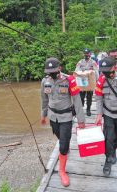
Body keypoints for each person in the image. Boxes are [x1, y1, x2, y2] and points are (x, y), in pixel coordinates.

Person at [41, 57, 85, 187]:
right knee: (60, 137)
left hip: (66, 117)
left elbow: (77, 100)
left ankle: (62, 171)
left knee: (64, 144)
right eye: (49, 72)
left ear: (59, 68)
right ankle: (63, 149)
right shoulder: (45, 81)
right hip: (53, 116)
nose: (52, 74)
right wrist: (43, 115)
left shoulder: (70, 80)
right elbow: (43, 99)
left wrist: (81, 120)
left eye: (54, 71)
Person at [75, 48, 99, 116]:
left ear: (90, 54)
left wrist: (97, 80)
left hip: (90, 82)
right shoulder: (80, 62)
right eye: (85, 53)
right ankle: (81, 109)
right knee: (81, 97)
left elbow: (96, 72)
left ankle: (88, 109)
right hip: (82, 82)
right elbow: (77, 70)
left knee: (89, 97)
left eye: (87, 53)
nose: (86, 55)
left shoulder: (93, 62)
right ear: (83, 54)